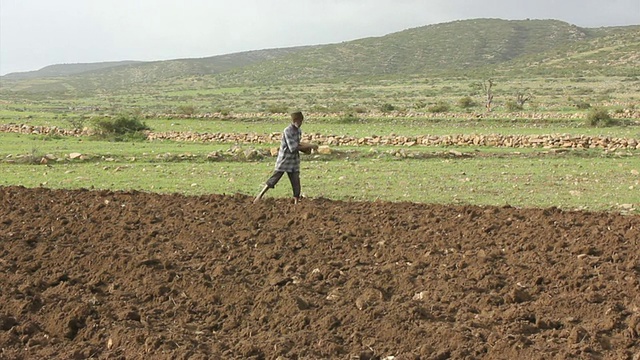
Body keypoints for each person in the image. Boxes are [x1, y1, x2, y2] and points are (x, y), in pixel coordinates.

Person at [254, 111, 317, 204]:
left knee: (296, 181)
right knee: (274, 178)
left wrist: (307, 148)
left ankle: (296, 201)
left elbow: (298, 144)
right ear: (295, 120)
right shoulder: (287, 131)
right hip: (285, 160)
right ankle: (259, 196)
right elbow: (293, 147)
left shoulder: (299, 131)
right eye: (300, 121)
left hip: (294, 161)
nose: (301, 123)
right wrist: (310, 146)